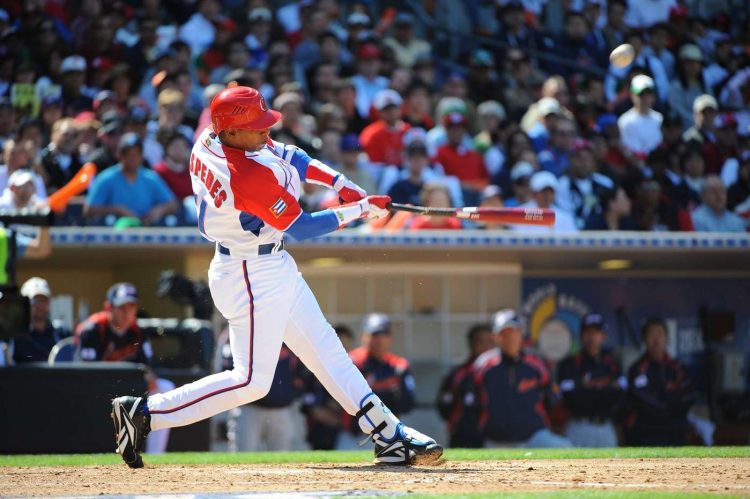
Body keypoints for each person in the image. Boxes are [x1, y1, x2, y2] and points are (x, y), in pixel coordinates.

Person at [109, 84, 441, 468]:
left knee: (326, 348)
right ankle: (146, 413)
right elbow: (301, 227)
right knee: (251, 381)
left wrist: (339, 183)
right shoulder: (242, 175)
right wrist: (361, 210)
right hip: (249, 273)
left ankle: (387, 433)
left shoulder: (212, 138)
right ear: (231, 131)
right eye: (256, 126)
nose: (266, 131)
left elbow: (290, 155)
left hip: (269, 264)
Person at [76, 283, 172, 454]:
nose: (127, 312)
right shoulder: (92, 329)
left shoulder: (137, 331)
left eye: (131, 306)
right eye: (122, 307)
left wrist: (149, 375)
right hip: (94, 390)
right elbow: (86, 372)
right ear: (109, 307)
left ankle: (155, 454)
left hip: (126, 387)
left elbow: (150, 366)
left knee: (164, 387)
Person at [474, 310, 573, 448]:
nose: (511, 338)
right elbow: (472, 405)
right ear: (495, 337)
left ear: (521, 334)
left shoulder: (537, 363)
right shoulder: (483, 365)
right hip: (495, 440)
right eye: (505, 333)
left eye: (514, 332)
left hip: (534, 437)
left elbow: (553, 400)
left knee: (565, 448)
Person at [557, 313, 626, 447]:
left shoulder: (612, 364)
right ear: (581, 335)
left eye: (596, 332)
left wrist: (586, 387)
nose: (592, 336)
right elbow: (569, 398)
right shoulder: (570, 363)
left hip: (605, 426)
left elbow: (619, 397)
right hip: (578, 426)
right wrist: (603, 387)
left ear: (604, 336)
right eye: (588, 332)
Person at [626, 318, 697, 446]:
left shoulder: (678, 367)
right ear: (644, 339)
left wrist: (663, 399)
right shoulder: (637, 369)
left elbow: (689, 396)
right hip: (647, 435)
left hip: (676, 433)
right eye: (651, 334)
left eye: (660, 333)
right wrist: (668, 400)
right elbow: (642, 400)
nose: (656, 339)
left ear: (667, 338)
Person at [84, 133, 178, 226]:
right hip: (113, 235)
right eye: (128, 154)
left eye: (137, 153)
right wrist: (118, 210)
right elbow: (89, 209)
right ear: (119, 155)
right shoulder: (106, 178)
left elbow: (172, 204)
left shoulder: (150, 178)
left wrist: (159, 210)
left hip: (144, 233)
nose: (133, 158)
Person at [223, 343, 302, 452]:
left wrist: (291, 393)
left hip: (281, 409)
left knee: (281, 459)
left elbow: (300, 376)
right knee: (243, 456)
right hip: (249, 407)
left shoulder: (290, 336)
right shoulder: (247, 333)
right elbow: (228, 370)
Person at [436, 324, 494, 448]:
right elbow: (444, 406)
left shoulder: (503, 372)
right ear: (471, 344)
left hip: (496, 436)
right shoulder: (459, 374)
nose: (486, 347)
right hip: (465, 437)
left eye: (490, 342)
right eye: (480, 342)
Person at [4, 277, 70, 364]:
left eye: (44, 300)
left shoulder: (62, 333)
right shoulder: (13, 337)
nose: (40, 305)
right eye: (35, 301)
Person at [508, 171, 578, 232]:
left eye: (550, 191)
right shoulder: (520, 214)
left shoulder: (565, 217)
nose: (546, 195)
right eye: (542, 191)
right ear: (534, 193)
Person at [358, 89, 410, 167]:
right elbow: (371, 162)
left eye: (393, 108)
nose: (391, 112)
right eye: (386, 109)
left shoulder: (408, 130)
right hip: (380, 171)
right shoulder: (370, 133)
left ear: (399, 109)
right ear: (379, 112)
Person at [617, 75, 663, 160]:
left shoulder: (659, 119)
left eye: (648, 94)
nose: (645, 98)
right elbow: (629, 151)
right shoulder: (624, 121)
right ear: (631, 95)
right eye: (641, 94)